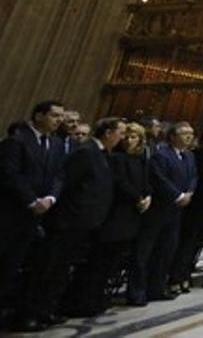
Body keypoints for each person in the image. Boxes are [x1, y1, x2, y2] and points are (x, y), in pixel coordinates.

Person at [18, 117, 123, 332]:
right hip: (69, 222)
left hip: (84, 224)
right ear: (108, 132)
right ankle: (28, 314)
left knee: (61, 270)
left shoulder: (103, 154)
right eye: (120, 132)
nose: (122, 137)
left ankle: (46, 310)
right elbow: (67, 183)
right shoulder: (87, 151)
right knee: (46, 270)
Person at [0, 100, 65, 323]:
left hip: (40, 216)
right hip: (12, 215)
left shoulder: (55, 143)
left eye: (61, 116)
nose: (60, 120)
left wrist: (50, 198)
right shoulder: (17, 141)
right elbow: (10, 174)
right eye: (55, 115)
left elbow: (58, 175)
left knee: (22, 267)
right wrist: (31, 201)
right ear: (38, 116)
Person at [138, 122, 197, 304]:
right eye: (184, 133)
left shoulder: (188, 156)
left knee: (166, 251)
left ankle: (157, 288)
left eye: (190, 133)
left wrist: (189, 192)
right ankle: (139, 291)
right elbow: (158, 178)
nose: (188, 136)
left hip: (176, 211)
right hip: (159, 209)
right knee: (147, 252)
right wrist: (178, 195)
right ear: (172, 136)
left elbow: (193, 176)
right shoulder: (161, 155)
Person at [98, 122, 152, 309]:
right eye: (126, 136)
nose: (129, 140)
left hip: (136, 212)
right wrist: (138, 198)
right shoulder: (117, 158)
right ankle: (98, 294)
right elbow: (120, 182)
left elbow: (146, 181)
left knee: (124, 255)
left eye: (134, 137)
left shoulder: (141, 159)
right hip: (120, 211)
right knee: (107, 256)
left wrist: (147, 196)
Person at [171, 124, 203, 292]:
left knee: (201, 241)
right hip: (197, 201)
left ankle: (189, 273)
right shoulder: (197, 155)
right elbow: (197, 177)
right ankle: (179, 276)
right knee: (188, 242)